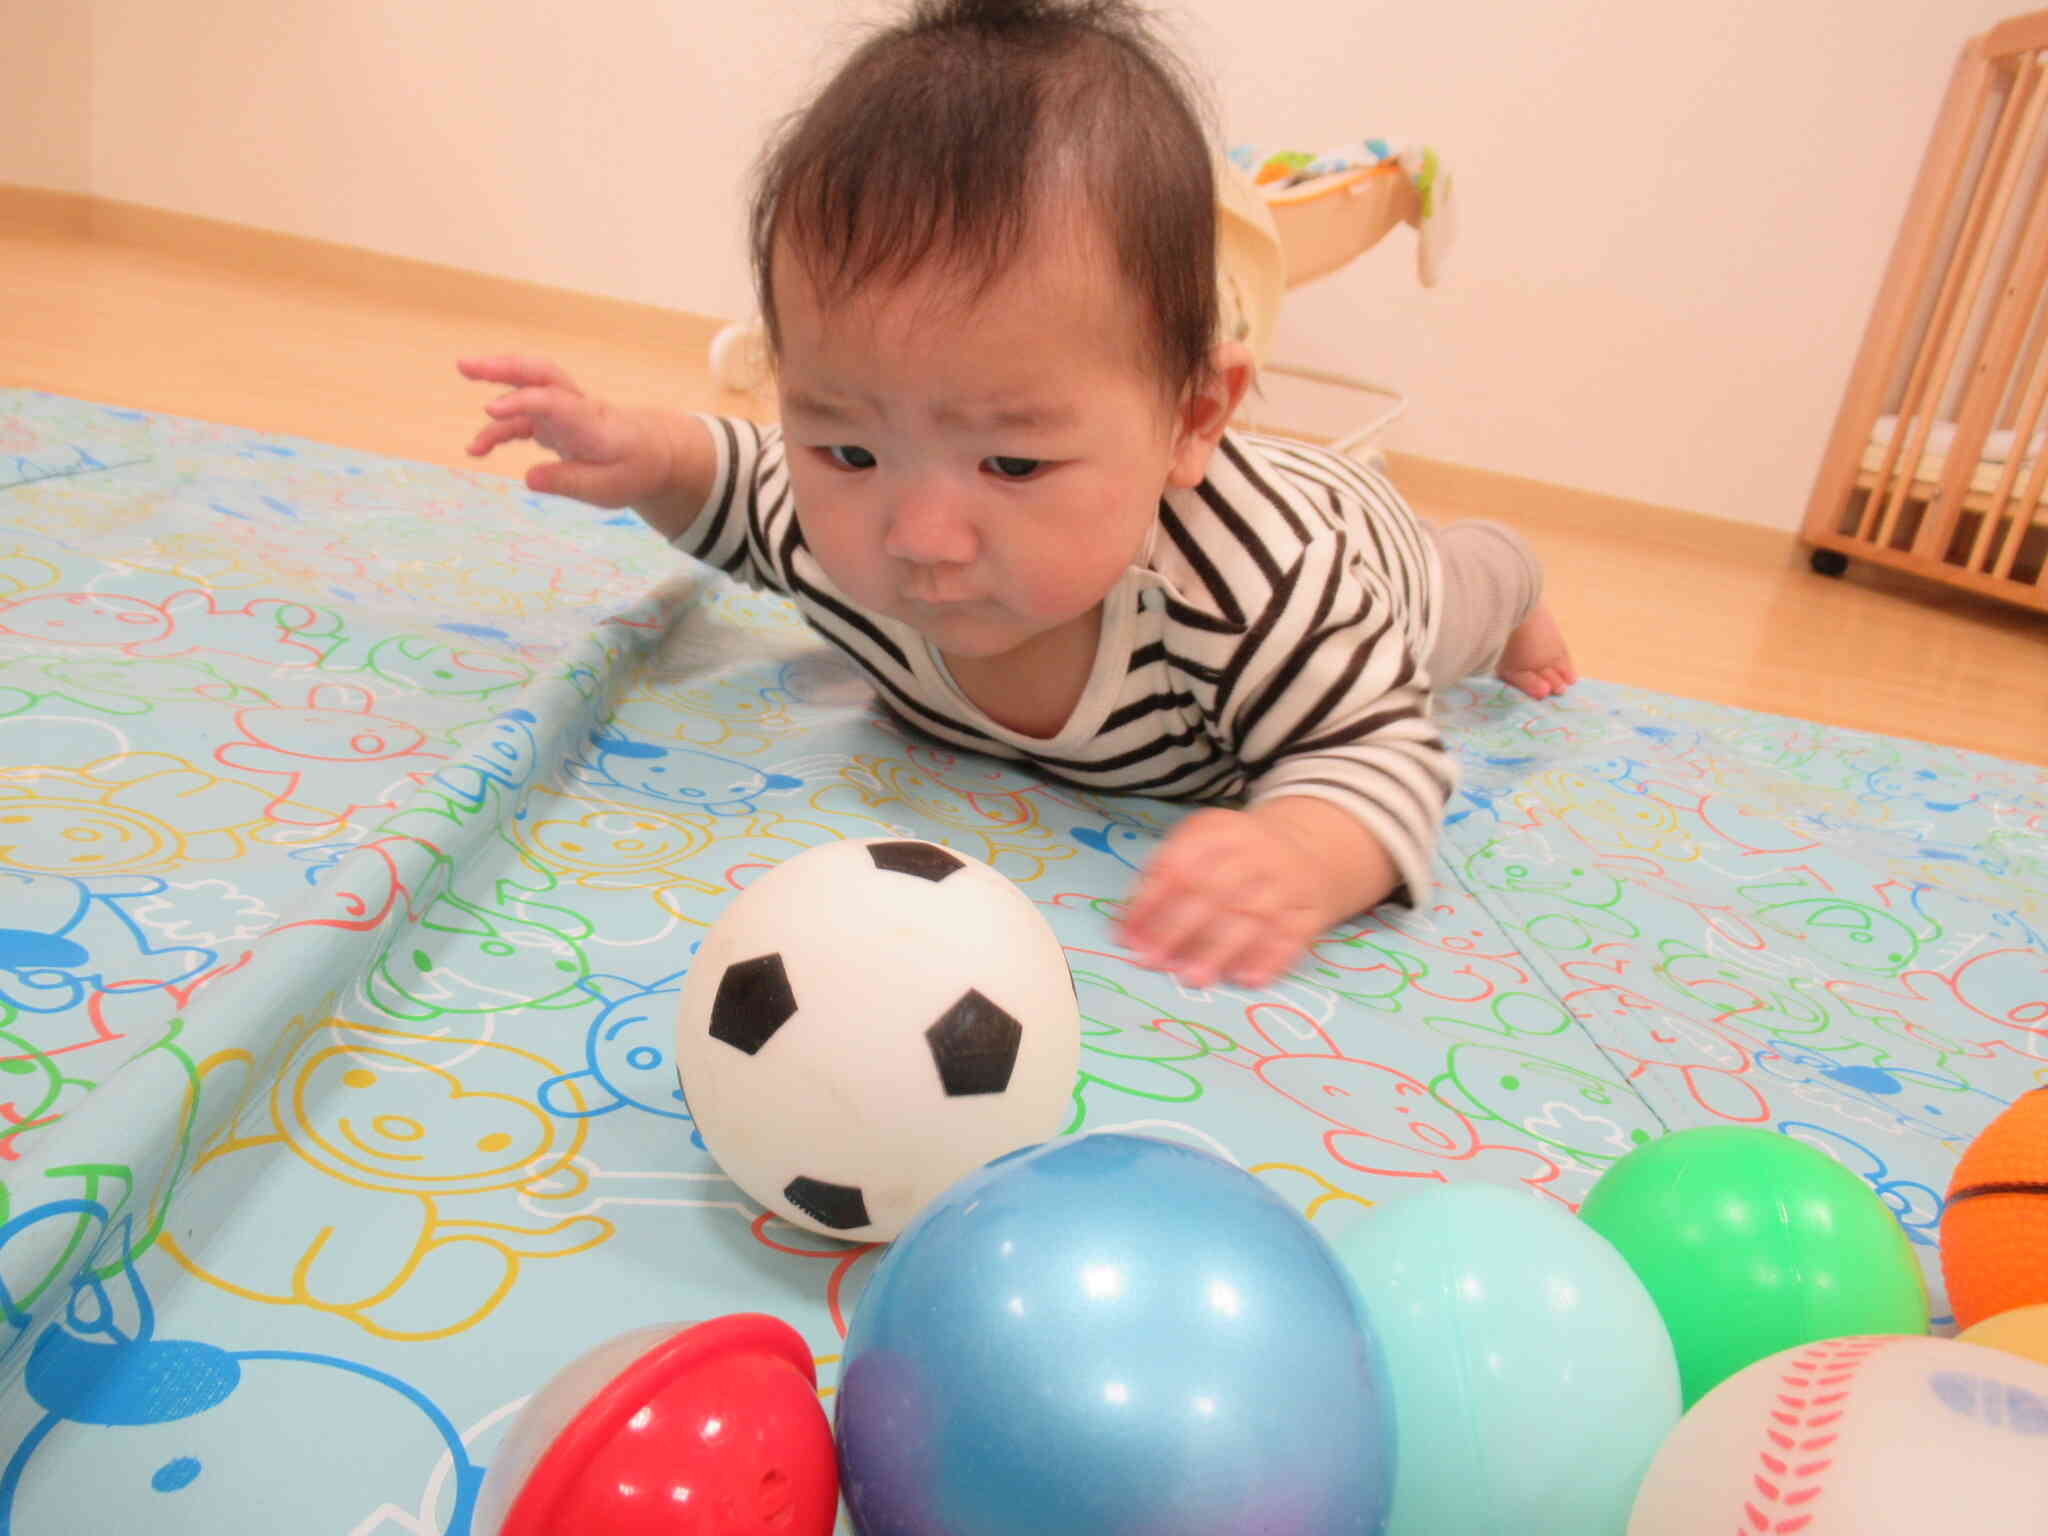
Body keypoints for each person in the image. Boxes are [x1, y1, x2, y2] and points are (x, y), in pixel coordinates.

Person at [458, 0, 1574, 991]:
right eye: (847, 447)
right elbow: (739, 481)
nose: (921, 536)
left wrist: (1301, 848)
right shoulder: (833, 522)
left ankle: (1512, 572)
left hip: (1360, 545)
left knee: (1455, 602)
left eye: (1013, 466)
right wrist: (644, 454)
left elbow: (1380, 755)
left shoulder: (1260, 596)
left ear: (1192, 417)